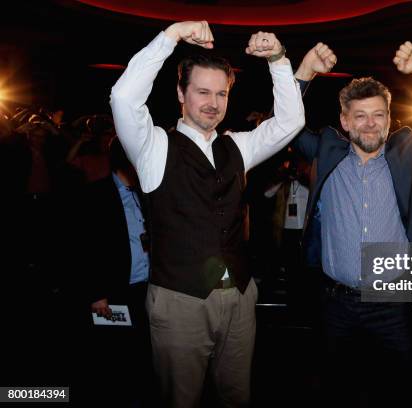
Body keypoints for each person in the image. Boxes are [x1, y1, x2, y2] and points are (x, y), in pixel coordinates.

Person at [109, 20, 305, 407]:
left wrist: (279, 61)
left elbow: (291, 122)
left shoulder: (238, 147)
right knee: (180, 399)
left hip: (239, 295)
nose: (213, 103)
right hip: (180, 300)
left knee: (237, 396)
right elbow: (123, 98)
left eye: (221, 93)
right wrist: (171, 36)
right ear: (181, 93)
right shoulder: (154, 147)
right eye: (202, 92)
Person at [293, 41, 412, 403]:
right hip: (335, 304)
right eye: (360, 115)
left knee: (400, 390)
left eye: (378, 115)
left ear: (389, 119)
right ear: (344, 120)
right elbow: (285, 125)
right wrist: (303, 74)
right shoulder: (326, 149)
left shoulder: (408, 151)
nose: (370, 124)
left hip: (392, 304)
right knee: (335, 389)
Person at [79, 136, 152, 406]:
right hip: (114, 292)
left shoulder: (145, 195)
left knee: (141, 352)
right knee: (114, 355)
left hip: (145, 287)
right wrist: (97, 293)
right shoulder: (95, 195)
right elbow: (85, 248)